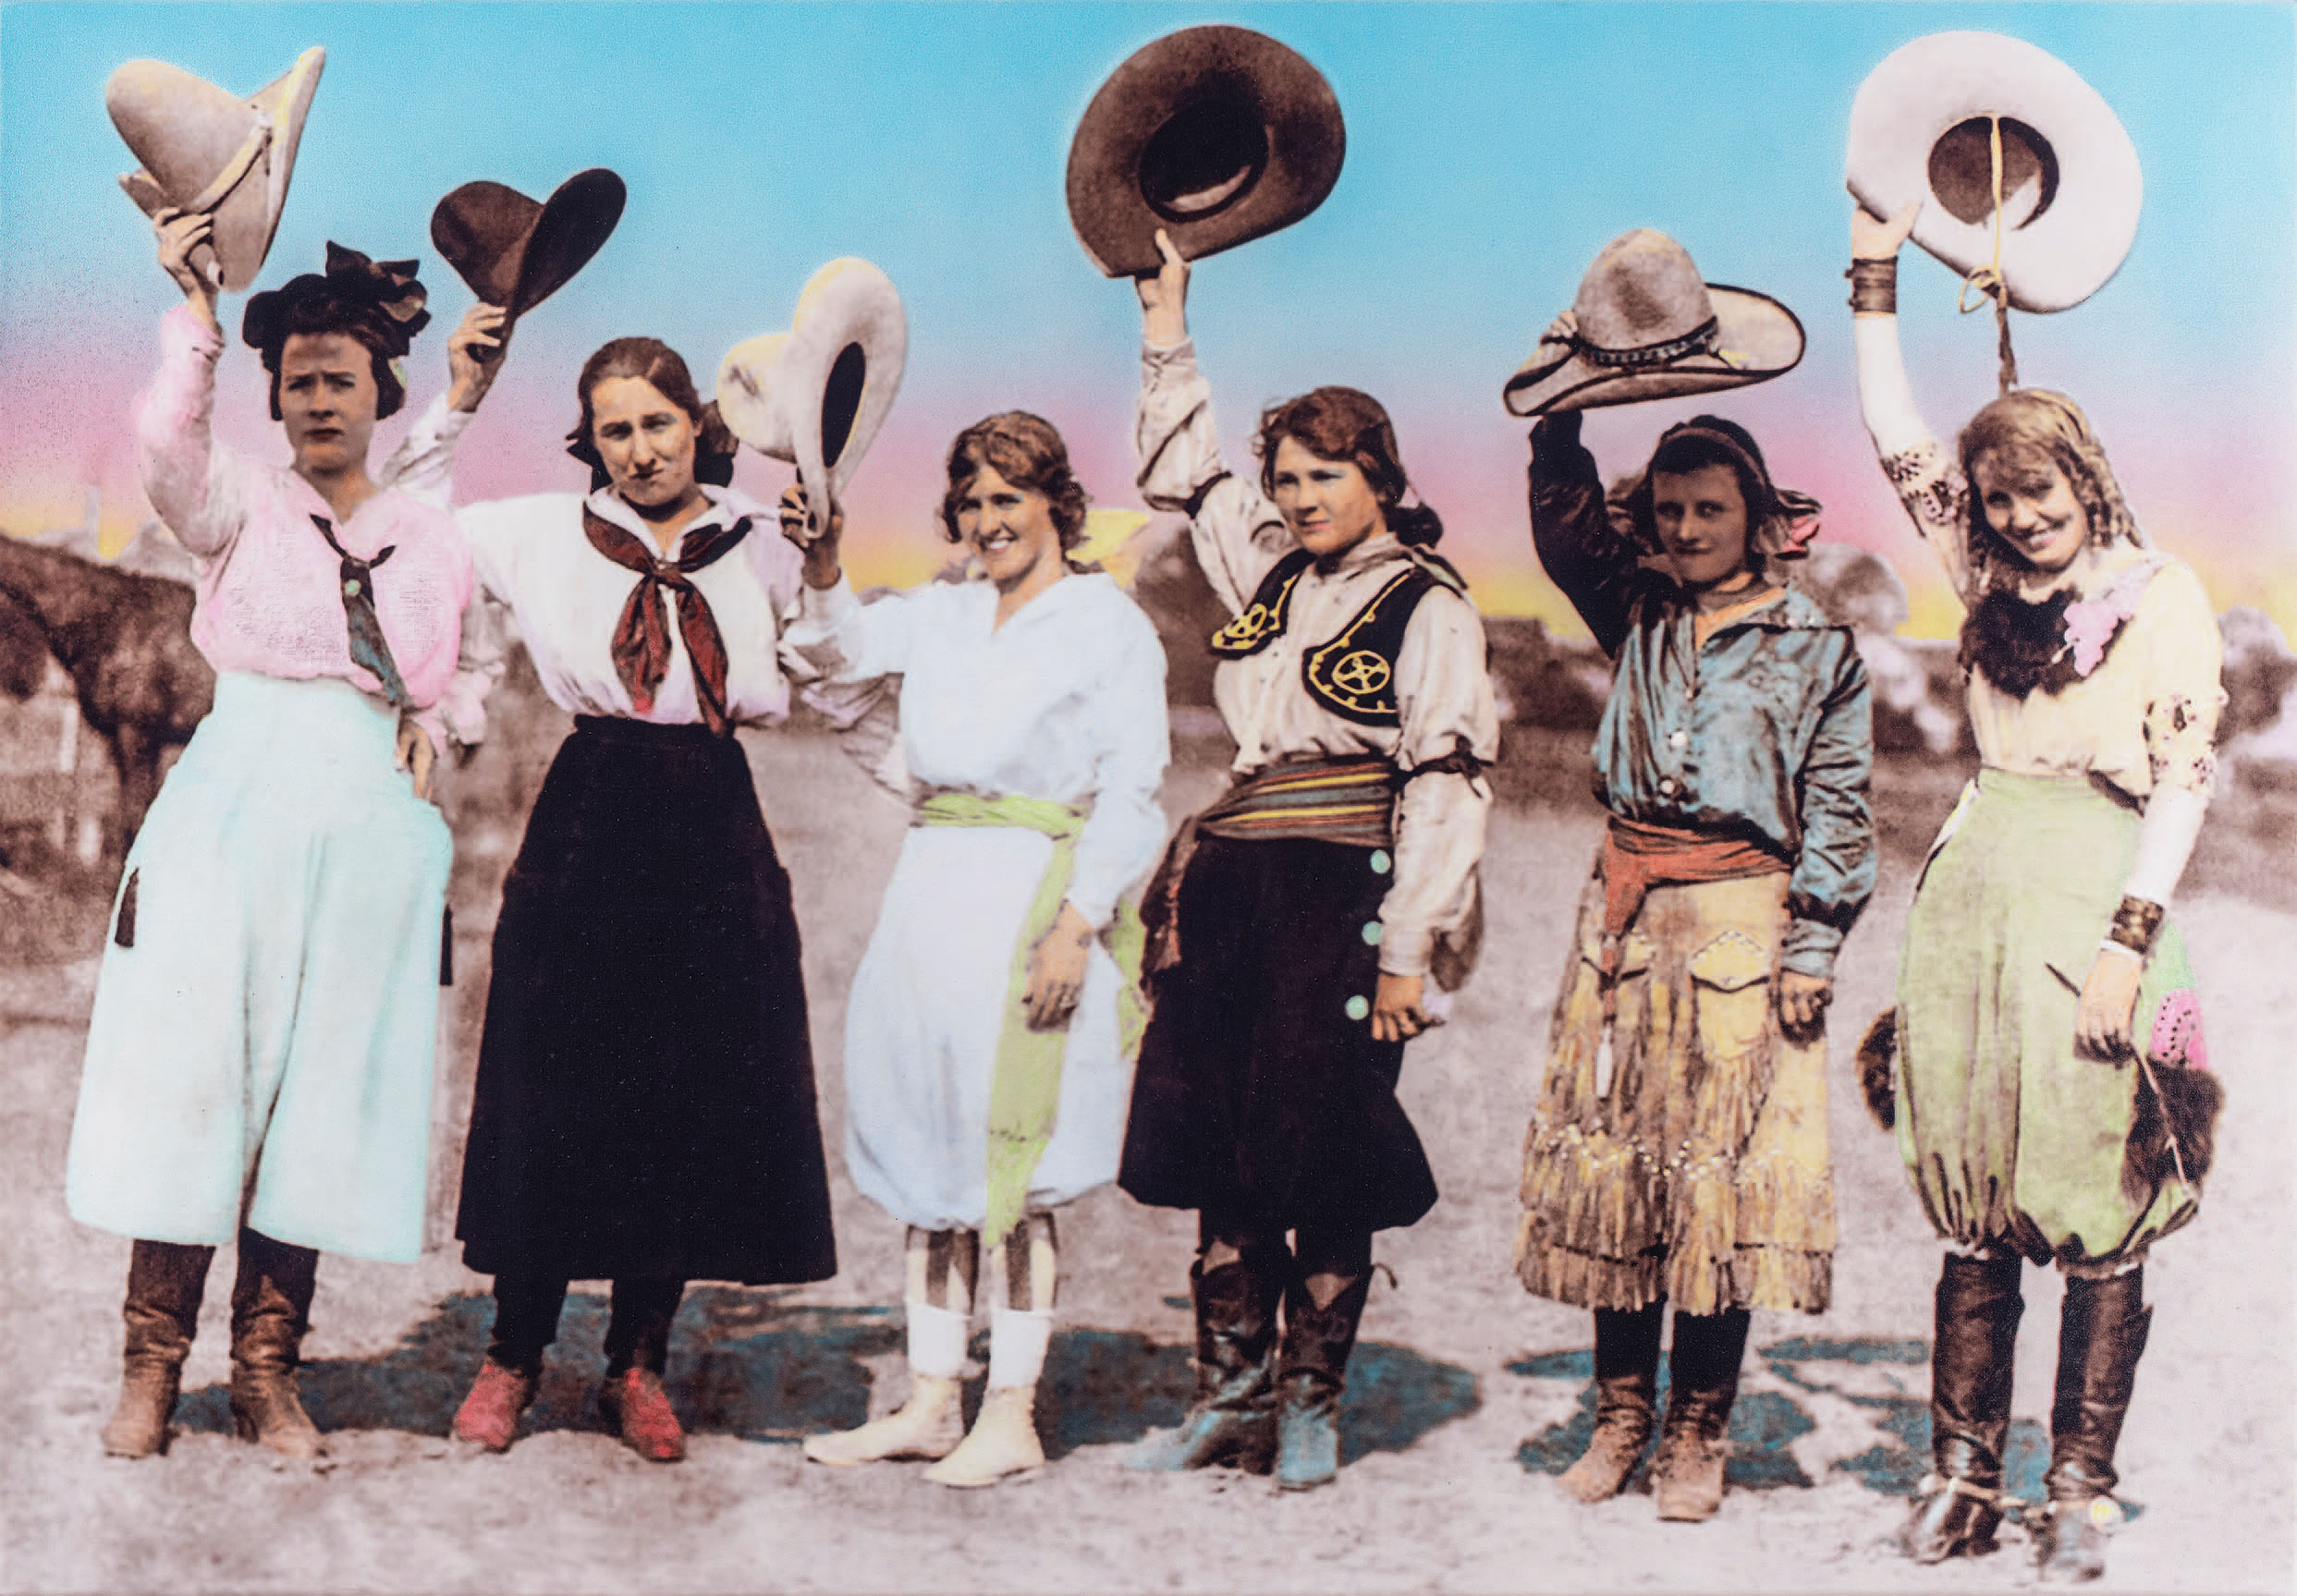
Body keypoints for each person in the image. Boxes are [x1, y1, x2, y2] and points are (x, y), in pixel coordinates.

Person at [67, 216, 493, 1460]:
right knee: (195, 1076)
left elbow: (464, 666)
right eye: (297, 380)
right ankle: (151, 1363)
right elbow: (163, 442)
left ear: (379, 395)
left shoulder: (427, 536)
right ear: (275, 396)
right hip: (236, 799)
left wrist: (439, 728)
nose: (316, 399)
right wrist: (195, 314)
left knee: (320, 1095)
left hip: (363, 818)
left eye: (339, 379)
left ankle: (267, 1369)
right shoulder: (237, 509)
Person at [384, 324, 837, 1463]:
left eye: (656, 424)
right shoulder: (541, 530)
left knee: (688, 1087)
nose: (637, 450)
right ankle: (514, 1352)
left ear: (700, 426)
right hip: (592, 809)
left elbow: (830, 674)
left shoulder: (760, 546)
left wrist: (823, 570)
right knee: (557, 1074)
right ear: (590, 441)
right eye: (614, 430)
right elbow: (407, 525)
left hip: (714, 819)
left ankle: (636, 1360)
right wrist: (459, 397)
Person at [1851, 202, 2224, 1583]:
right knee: (1976, 1190)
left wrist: (2128, 947)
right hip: (1974, 895)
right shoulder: (1980, 573)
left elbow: (2182, 780)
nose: (2016, 516)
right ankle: (1961, 1473)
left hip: (2096, 900)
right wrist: (1875, 272)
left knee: (2097, 1184)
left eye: (2039, 496)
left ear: (2092, 484)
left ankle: (2078, 1485)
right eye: (1998, 497)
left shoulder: (2161, 593)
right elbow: (1896, 434)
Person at [1115, 230, 1501, 1492]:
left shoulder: (1429, 603)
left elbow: (1445, 780)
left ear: (1379, 475)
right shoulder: (1270, 574)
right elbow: (1189, 472)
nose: (1298, 496)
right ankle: (1226, 1392)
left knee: (1326, 1144)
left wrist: (1410, 950)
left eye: (1325, 474)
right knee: (1223, 1145)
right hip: (1231, 891)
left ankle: (1310, 1400)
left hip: (1347, 895)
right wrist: (1167, 319)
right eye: (1287, 475)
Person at [1512, 323, 1876, 1522]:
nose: (1680, 528)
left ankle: (1698, 1429)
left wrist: (1813, 948)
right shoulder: (1640, 616)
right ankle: (1619, 1414)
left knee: (1718, 1187)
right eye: (1664, 509)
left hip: (1741, 923)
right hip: (1622, 917)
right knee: (1623, 1175)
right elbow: (1566, 528)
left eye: (1706, 508)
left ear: (1758, 514)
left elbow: (1836, 809)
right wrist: (1562, 405)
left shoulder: (1816, 646)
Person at [784, 413, 1169, 1488]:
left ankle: (1011, 1410)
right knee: (928, 1153)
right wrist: (822, 563)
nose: (989, 519)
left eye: (1010, 496)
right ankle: (928, 1397)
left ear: (1056, 502)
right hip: (931, 889)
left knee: (1018, 1168)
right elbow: (831, 654)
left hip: (1036, 898)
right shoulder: (941, 613)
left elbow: (1133, 789)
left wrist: (1075, 925)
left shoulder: (1106, 623)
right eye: (972, 499)